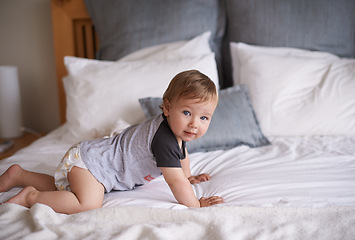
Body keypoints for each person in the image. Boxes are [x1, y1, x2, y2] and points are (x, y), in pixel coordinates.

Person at [0, 70, 223, 214]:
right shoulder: (164, 139)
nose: (194, 123)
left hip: (90, 159)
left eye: (204, 117)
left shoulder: (177, 134)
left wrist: (189, 176)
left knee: (65, 189)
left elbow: (181, 156)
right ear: (167, 107)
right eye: (186, 112)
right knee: (87, 203)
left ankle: (19, 175)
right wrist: (196, 204)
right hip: (91, 165)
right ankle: (31, 197)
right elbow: (175, 182)